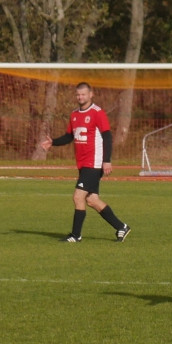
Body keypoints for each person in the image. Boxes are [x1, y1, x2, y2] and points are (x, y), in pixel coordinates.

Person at [41, 82, 131, 243]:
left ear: (91, 94)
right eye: (78, 94)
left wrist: (107, 161)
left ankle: (76, 235)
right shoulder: (74, 114)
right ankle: (121, 227)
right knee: (92, 200)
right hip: (83, 164)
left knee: (78, 196)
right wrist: (53, 142)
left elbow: (107, 137)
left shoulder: (98, 113)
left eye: (83, 94)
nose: (80, 97)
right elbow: (70, 136)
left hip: (94, 163)